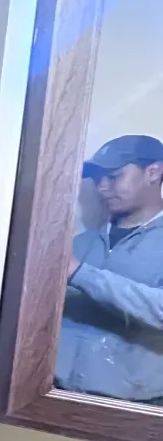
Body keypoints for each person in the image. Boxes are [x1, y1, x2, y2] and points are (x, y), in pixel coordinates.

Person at [57, 134, 163, 402]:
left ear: (153, 172)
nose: (102, 187)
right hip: (56, 395)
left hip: (132, 407)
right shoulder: (79, 245)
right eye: (97, 179)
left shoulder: (73, 262)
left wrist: (81, 274)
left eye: (114, 176)